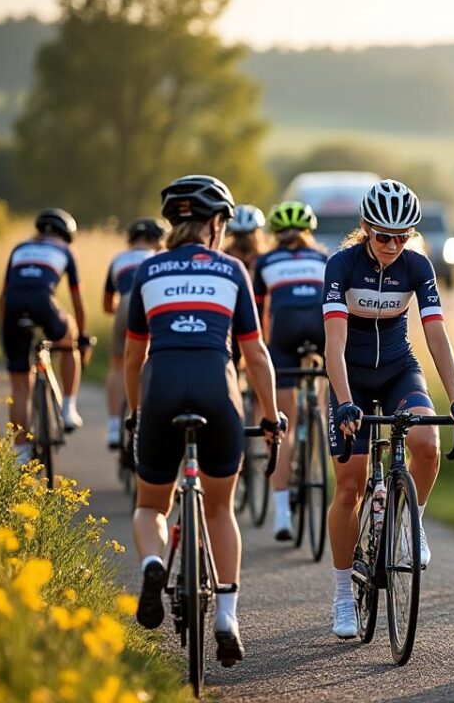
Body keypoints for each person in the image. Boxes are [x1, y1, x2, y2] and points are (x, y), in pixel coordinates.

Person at [125, 174, 283, 667]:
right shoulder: (233, 269)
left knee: (151, 505)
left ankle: (154, 564)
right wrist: (272, 414)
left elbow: (133, 357)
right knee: (219, 508)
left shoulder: (148, 271)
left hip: (162, 387)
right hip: (218, 391)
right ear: (218, 224)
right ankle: (227, 617)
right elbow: (255, 355)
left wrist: (136, 414)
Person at [323, 179, 454, 639]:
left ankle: (412, 526)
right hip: (349, 372)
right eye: (383, 235)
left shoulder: (417, 266)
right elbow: (334, 342)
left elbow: (435, 334)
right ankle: (343, 594)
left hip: (397, 369)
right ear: (366, 229)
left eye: (402, 236)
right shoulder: (341, 264)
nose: (392, 245)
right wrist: (345, 401)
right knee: (349, 487)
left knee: (427, 443)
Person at [254, 201, 327, 541]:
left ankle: (281, 514)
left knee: (282, 421)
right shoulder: (323, 258)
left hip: (283, 331)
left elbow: (255, 312)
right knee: (326, 382)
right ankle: (320, 415)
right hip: (320, 327)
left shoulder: (265, 261)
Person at [0, 208, 90, 458]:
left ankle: (20, 453)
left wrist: (6, 330)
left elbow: (4, 296)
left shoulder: (19, 248)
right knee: (69, 333)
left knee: (19, 387)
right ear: (66, 235)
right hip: (43, 303)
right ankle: (69, 409)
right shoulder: (64, 250)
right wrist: (82, 337)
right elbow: (77, 299)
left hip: (13, 308)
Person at [103, 217, 166, 450]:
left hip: (124, 304)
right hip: (150, 304)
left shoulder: (118, 259)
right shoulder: (159, 258)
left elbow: (107, 305)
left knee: (119, 365)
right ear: (158, 241)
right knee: (152, 360)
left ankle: (112, 427)